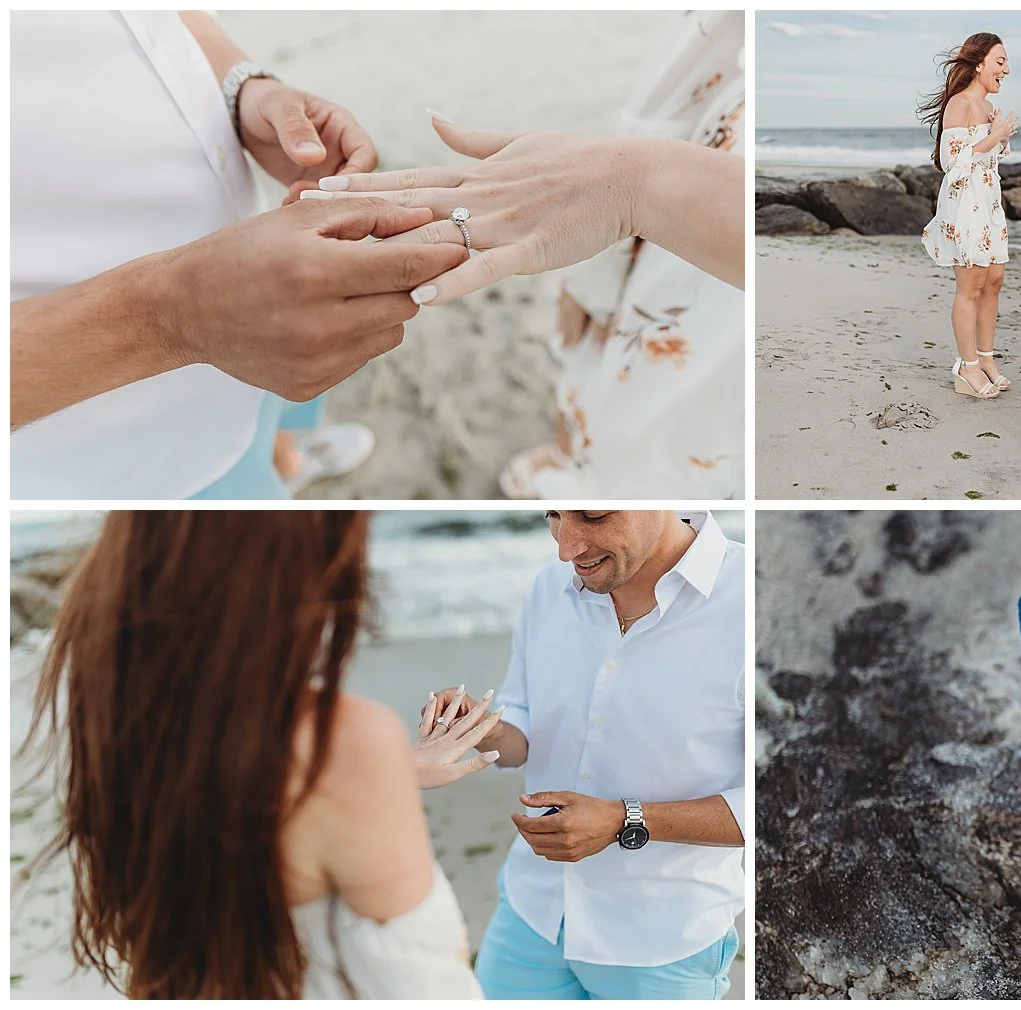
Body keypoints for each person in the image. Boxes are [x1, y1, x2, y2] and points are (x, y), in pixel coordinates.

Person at [19, 512, 499, 997]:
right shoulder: (347, 742)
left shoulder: (119, 700)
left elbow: (239, 795)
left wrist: (390, 775)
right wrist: (367, 771)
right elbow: (432, 990)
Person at [10, 12, 464, 499]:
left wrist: (243, 88)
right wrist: (172, 314)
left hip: (267, 267)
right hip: (118, 445)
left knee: (276, 400)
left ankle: (286, 457)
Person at [304, 12, 746, 498]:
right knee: (616, 371)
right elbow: (713, 31)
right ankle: (580, 463)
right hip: (687, 182)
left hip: (727, 278)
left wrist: (632, 187)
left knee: (676, 424)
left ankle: (594, 483)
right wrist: (609, 247)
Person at [427, 510, 745, 999]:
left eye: (592, 516)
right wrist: (479, 729)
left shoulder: (753, 603)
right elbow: (526, 734)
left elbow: (786, 808)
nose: (565, 548)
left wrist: (624, 820)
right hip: (530, 914)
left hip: (661, 946)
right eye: (553, 515)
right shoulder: (548, 588)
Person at [917, 32, 1021, 400]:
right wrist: (994, 135)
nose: (1006, 70)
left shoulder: (987, 108)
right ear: (978, 64)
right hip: (965, 204)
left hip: (989, 202)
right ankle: (967, 367)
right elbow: (952, 164)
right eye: (1000, 61)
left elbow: (988, 158)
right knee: (971, 286)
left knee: (994, 281)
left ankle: (986, 358)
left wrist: (1000, 136)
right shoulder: (959, 104)